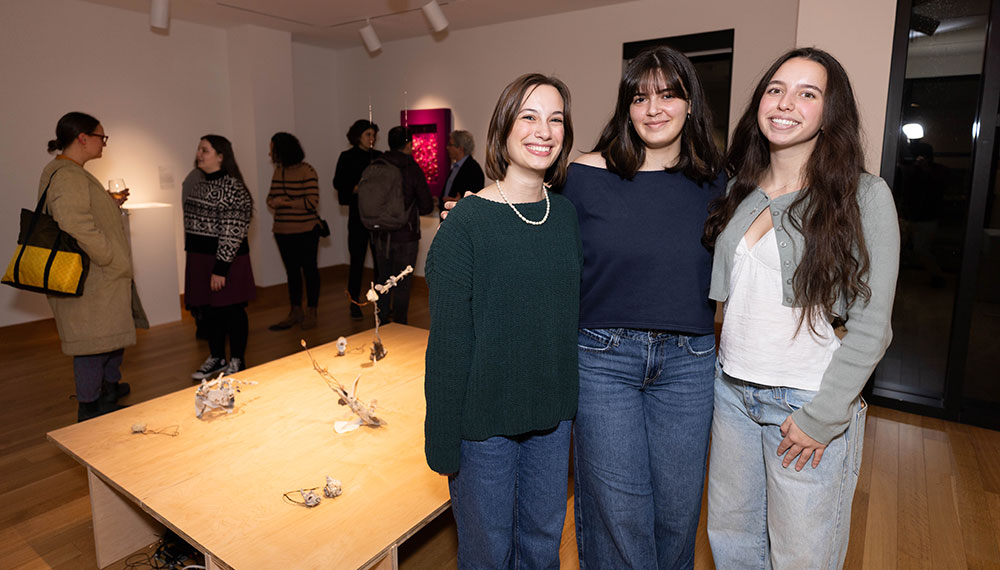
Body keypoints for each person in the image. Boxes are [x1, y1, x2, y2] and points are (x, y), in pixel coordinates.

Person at [702, 48, 899, 569]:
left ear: (829, 111)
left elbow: (873, 325)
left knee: (801, 557)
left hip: (807, 403)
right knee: (732, 542)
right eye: (775, 89)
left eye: (807, 93)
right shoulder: (740, 189)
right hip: (733, 393)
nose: (786, 103)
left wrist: (824, 416)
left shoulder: (865, 195)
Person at [563, 46, 724, 569]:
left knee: (677, 514)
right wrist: (474, 203)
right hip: (603, 359)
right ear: (626, 107)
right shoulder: (583, 174)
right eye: (640, 97)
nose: (654, 108)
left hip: (690, 363)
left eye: (668, 94)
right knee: (619, 512)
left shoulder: (720, 182)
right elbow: (522, 209)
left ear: (690, 104)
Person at [424, 73, 580, 568]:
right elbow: (448, 348)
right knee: (487, 553)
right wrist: (443, 442)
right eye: (528, 117)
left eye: (555, 119)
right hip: (483, 427)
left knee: (541, 547)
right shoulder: (466, 226)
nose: (543, 130)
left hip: (550, 423)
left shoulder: (567, 216)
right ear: (503, 129)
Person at [39, 112, 148, 422]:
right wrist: (110, 256)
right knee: (92, 342)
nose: (104, 143)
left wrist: (108, 205)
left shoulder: (69, 171)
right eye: (102, 137)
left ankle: (108, 388)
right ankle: (90, 405)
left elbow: (80, 211)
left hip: (97, 275)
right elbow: (75, 223)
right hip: (92, 275)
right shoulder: (69, 174)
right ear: (83, 138)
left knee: (107, 335)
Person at [184, 135, 256, 380]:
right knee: (209, 311)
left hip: (225, 260)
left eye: (205, 150)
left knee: (232, 311)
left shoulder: (233, 188)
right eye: (199, 149)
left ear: (221, 156)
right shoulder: (199, 184)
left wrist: (221, 268)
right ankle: (217, 357)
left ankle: (237, 359)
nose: (199, 154)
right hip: (200, 259)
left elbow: (233, 232)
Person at [371, 126, 434, 324]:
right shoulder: (412, 169)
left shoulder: (377, 165)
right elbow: (426, 206)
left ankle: (380, 321)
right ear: (409, 145)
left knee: (383, 280)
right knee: (402, 283)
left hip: (381, 235)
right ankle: (399, 326)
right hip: (406, 236)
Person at [265, 132, 322, 330]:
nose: (270, 153)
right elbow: (270, 199)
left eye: (273, 149)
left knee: (309, 270)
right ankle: (295, 310)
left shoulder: (307, 171)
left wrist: (285, 203)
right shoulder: (278, 171)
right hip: (282, 230)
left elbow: (311, 202)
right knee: (292, 272)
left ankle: (312, 311)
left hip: (306, 229)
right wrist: (274, 202)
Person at [333, 119, 381, 320]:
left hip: (378, 216)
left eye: (373, 135)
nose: (372, 139)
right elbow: (339, 184)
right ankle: (354, 303)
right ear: (357, 136)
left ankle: (382, 303)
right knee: (357, 261)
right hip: (357, 217)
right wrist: (358, 188)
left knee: (380, 262)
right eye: (368, 135)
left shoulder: (379, 157)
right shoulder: (347, 157)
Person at [440, 130, 485, 210]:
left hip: (460, 219)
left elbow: (474, 201)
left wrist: (460, 202)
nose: (447, 147)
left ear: (460, 148)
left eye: (450, 145)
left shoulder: (473, 169)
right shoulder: (456, 167)